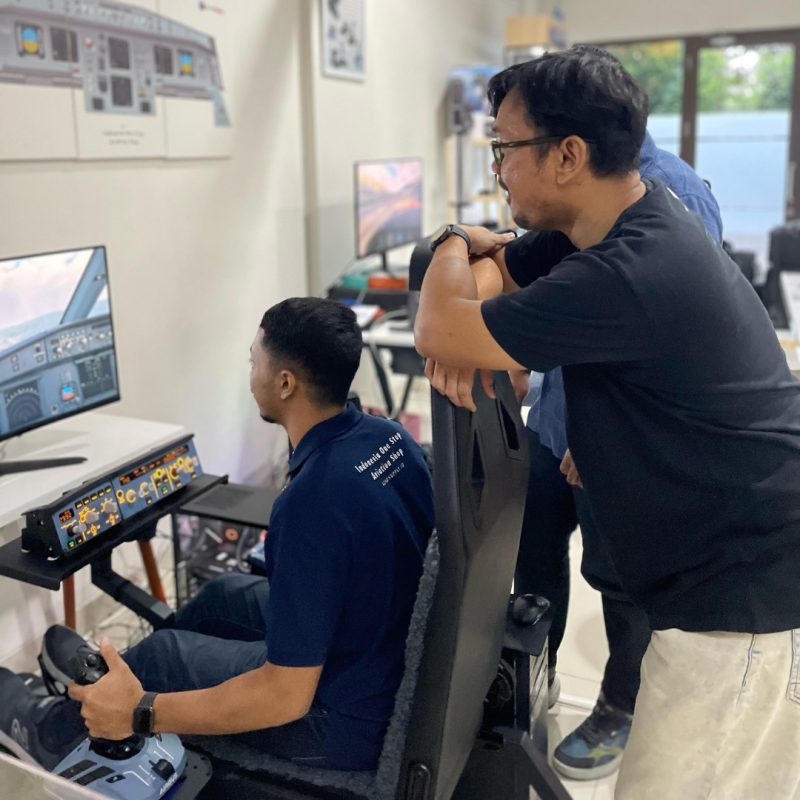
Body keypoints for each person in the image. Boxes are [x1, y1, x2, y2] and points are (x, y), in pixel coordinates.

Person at [414, 45, 800, 798]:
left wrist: (451, 241)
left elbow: (438, 325)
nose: (497, 169)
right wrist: (470, 314)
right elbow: (495, 279)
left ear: (568, 155)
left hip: (741, 598)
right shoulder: (600, 226)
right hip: (714, 572)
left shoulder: (631, 266)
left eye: (505, 148)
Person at [0, 297, 434, 773]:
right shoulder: (392, 437)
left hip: (340, 723)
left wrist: (142, 712)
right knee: (221, 596)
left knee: (163, 657)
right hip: (379, 648)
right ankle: (114, 683)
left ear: (285, 383)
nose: (251, 376)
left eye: (254, 362)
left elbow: (285, 697)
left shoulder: (312, 501)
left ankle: (50, 731)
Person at [509, 126, 723, 781]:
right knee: (532, 555)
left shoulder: (674, 195)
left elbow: (681, 342)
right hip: (555, 417)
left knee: (620, 582)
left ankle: (619, 706)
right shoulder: (578, 189)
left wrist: (602, 436)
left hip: (615, 436)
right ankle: (534, 677)